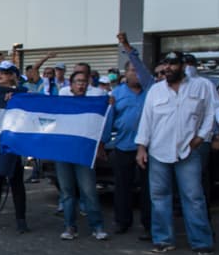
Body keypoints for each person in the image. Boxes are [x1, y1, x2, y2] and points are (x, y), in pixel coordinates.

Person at [135, 50, 217, 255]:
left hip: (188, 151)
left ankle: (201, 242)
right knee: (159, 197)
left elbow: (210, 113)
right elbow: (146, 120)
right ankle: (163, 239)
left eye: (172, 64)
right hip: (158, 150)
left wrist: (202, 136)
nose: (168, 68)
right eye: (165, 64)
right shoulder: (156, 90)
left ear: (183, 66)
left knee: (194, 197)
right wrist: (141, 147)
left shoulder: (201, 86)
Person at [53, 70, 108, 240]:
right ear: (71, 85)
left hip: (84, 153)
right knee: (67, 192)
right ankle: (70, 227)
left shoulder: (94, 104)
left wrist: (108, 103)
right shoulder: (62, 104)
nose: (81, 84)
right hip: (63, 153)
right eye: (77, 81)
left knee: (89, 191)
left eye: (84, 81)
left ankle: (97, 226)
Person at [110, 32, 154, 238]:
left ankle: (149, 224)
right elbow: (109, 121)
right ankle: (122, 222)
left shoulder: (152, 90)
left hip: (148, 148)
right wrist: (102, 144)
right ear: (125, 74)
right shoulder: (116, 94)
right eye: (132, 71)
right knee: (122, 188)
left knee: (149, 190)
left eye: (138, 71)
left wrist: (127, 45)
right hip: (123, 147)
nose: (136, 74)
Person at [0, 61, 29, 232]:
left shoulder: (22, 92)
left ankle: (21, 219)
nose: (0, 74)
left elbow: (32, 98)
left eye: (4, 72)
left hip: (14, 144)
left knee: (16, 182)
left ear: (12, 76)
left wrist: (17, 97)